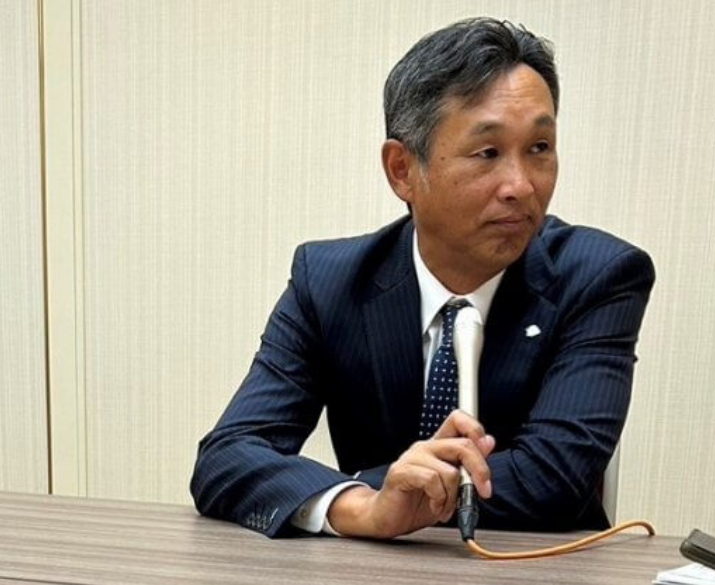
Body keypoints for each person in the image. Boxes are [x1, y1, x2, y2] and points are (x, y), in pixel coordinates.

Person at [190, 17, 655, 539]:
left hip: (538, 566)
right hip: (375, 570)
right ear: (402, 170)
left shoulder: (600, 276)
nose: (521, 186)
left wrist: (383, 495)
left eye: (539, 148)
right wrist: (359, 507)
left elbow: (553, 476)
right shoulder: (328, 282)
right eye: (488, 153)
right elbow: (228, 456)